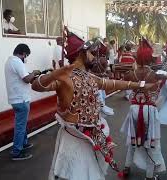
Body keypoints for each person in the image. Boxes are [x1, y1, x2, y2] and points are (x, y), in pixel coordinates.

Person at [32, 29, 158, 180]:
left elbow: (113, 83)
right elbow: (36, 86)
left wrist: (141, 85)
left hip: (90, 136)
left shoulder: (89, 76)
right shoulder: (64, 77)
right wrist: (54, 74)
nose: (94, 56)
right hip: (74, 138)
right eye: (92, 53)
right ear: (82, 53)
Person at [120, 38, 167, 180]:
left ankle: (126, 168)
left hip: (133, 109)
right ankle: (149, 176)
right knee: (151, 142)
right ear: (150, 58)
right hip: (149, 111)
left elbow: (120, 80)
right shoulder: (155, 74)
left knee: (132, 140)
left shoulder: (130, 74)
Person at [4, 44, 39, 160]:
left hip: (15, 99)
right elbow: (26, 79)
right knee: (20, 126)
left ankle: (23, 143)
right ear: (23, 53)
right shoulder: (17, 62)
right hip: (21, 99)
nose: (26, 57)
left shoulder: (9, 61)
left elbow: (22, 76)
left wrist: (30, 74)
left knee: (21, 124)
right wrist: (34, 73)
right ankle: (16, 152)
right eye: (26, 55)